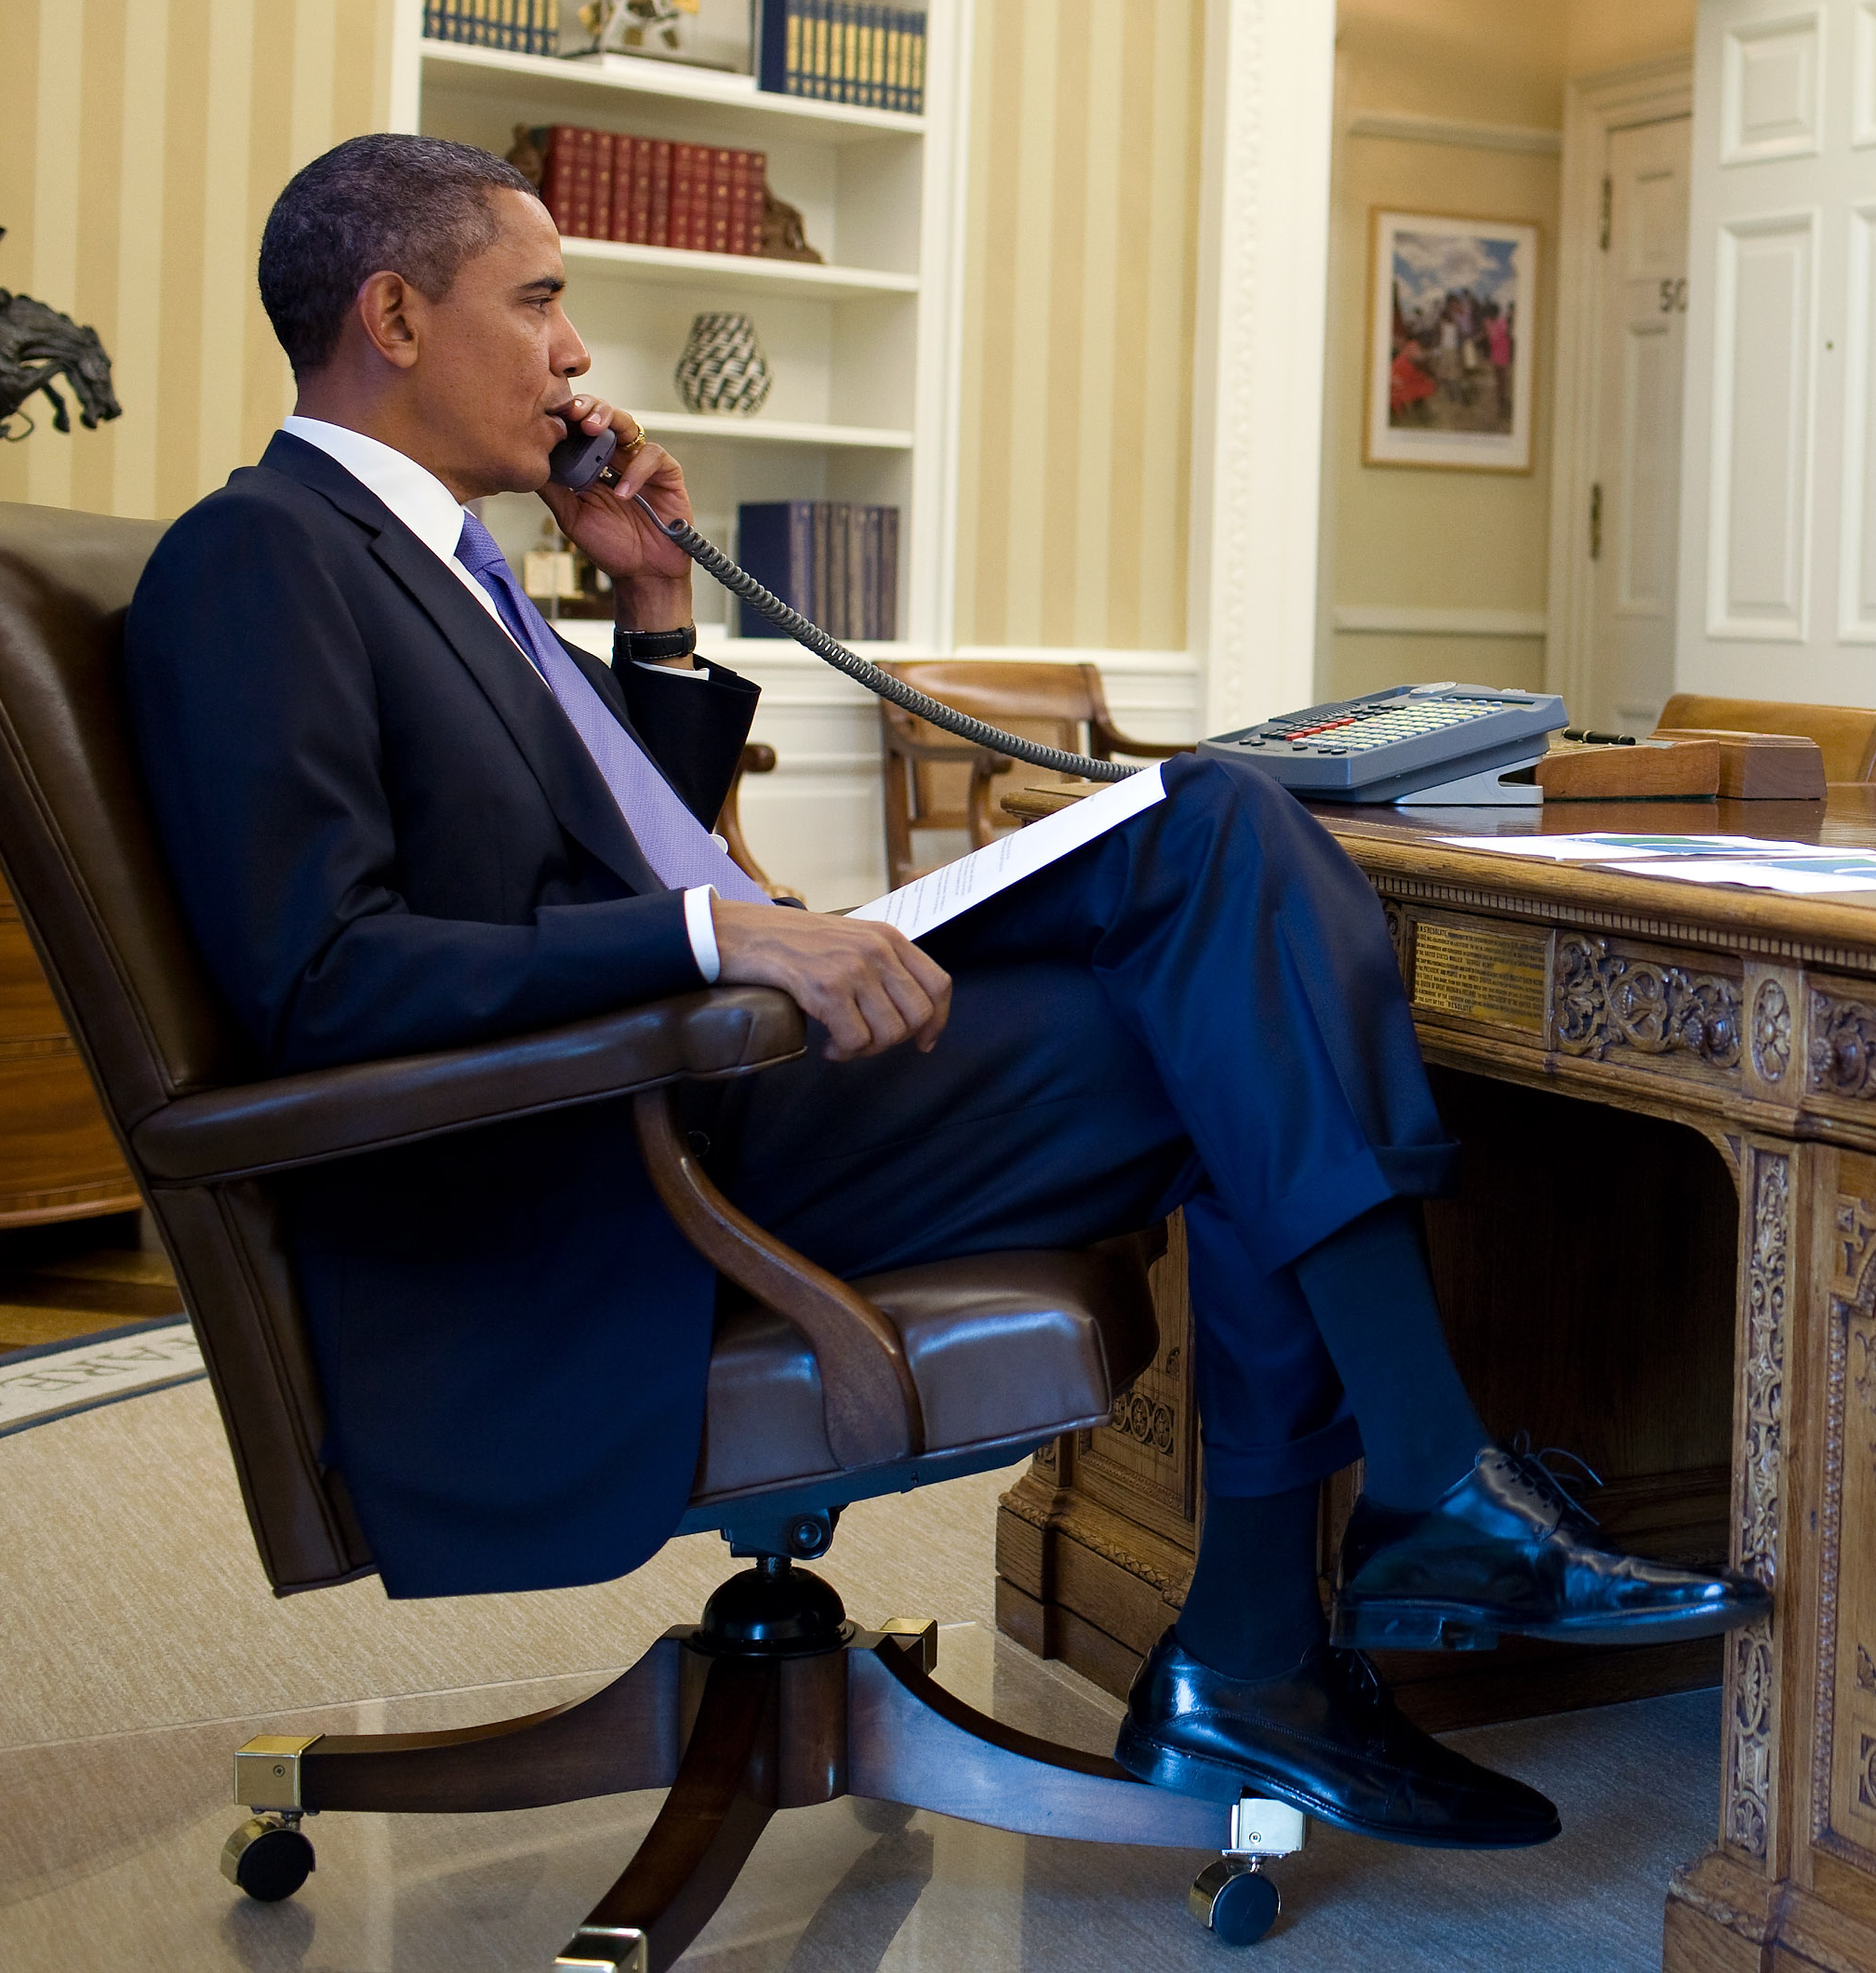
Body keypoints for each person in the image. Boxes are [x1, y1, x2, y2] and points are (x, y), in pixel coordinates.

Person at [127, 132, 1761, 1853]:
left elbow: (580, 841)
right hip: (591, 1168)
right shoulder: (265, 558)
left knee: (1218, 864)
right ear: (393, 314)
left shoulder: (447, 562)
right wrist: (721, 938)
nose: (573, 355)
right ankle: (1350, 1568)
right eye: (537, 304)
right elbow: (322, 977)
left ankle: (1300, 1621)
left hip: (697, 1081)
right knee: (1230, 961)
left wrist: (660, 615)